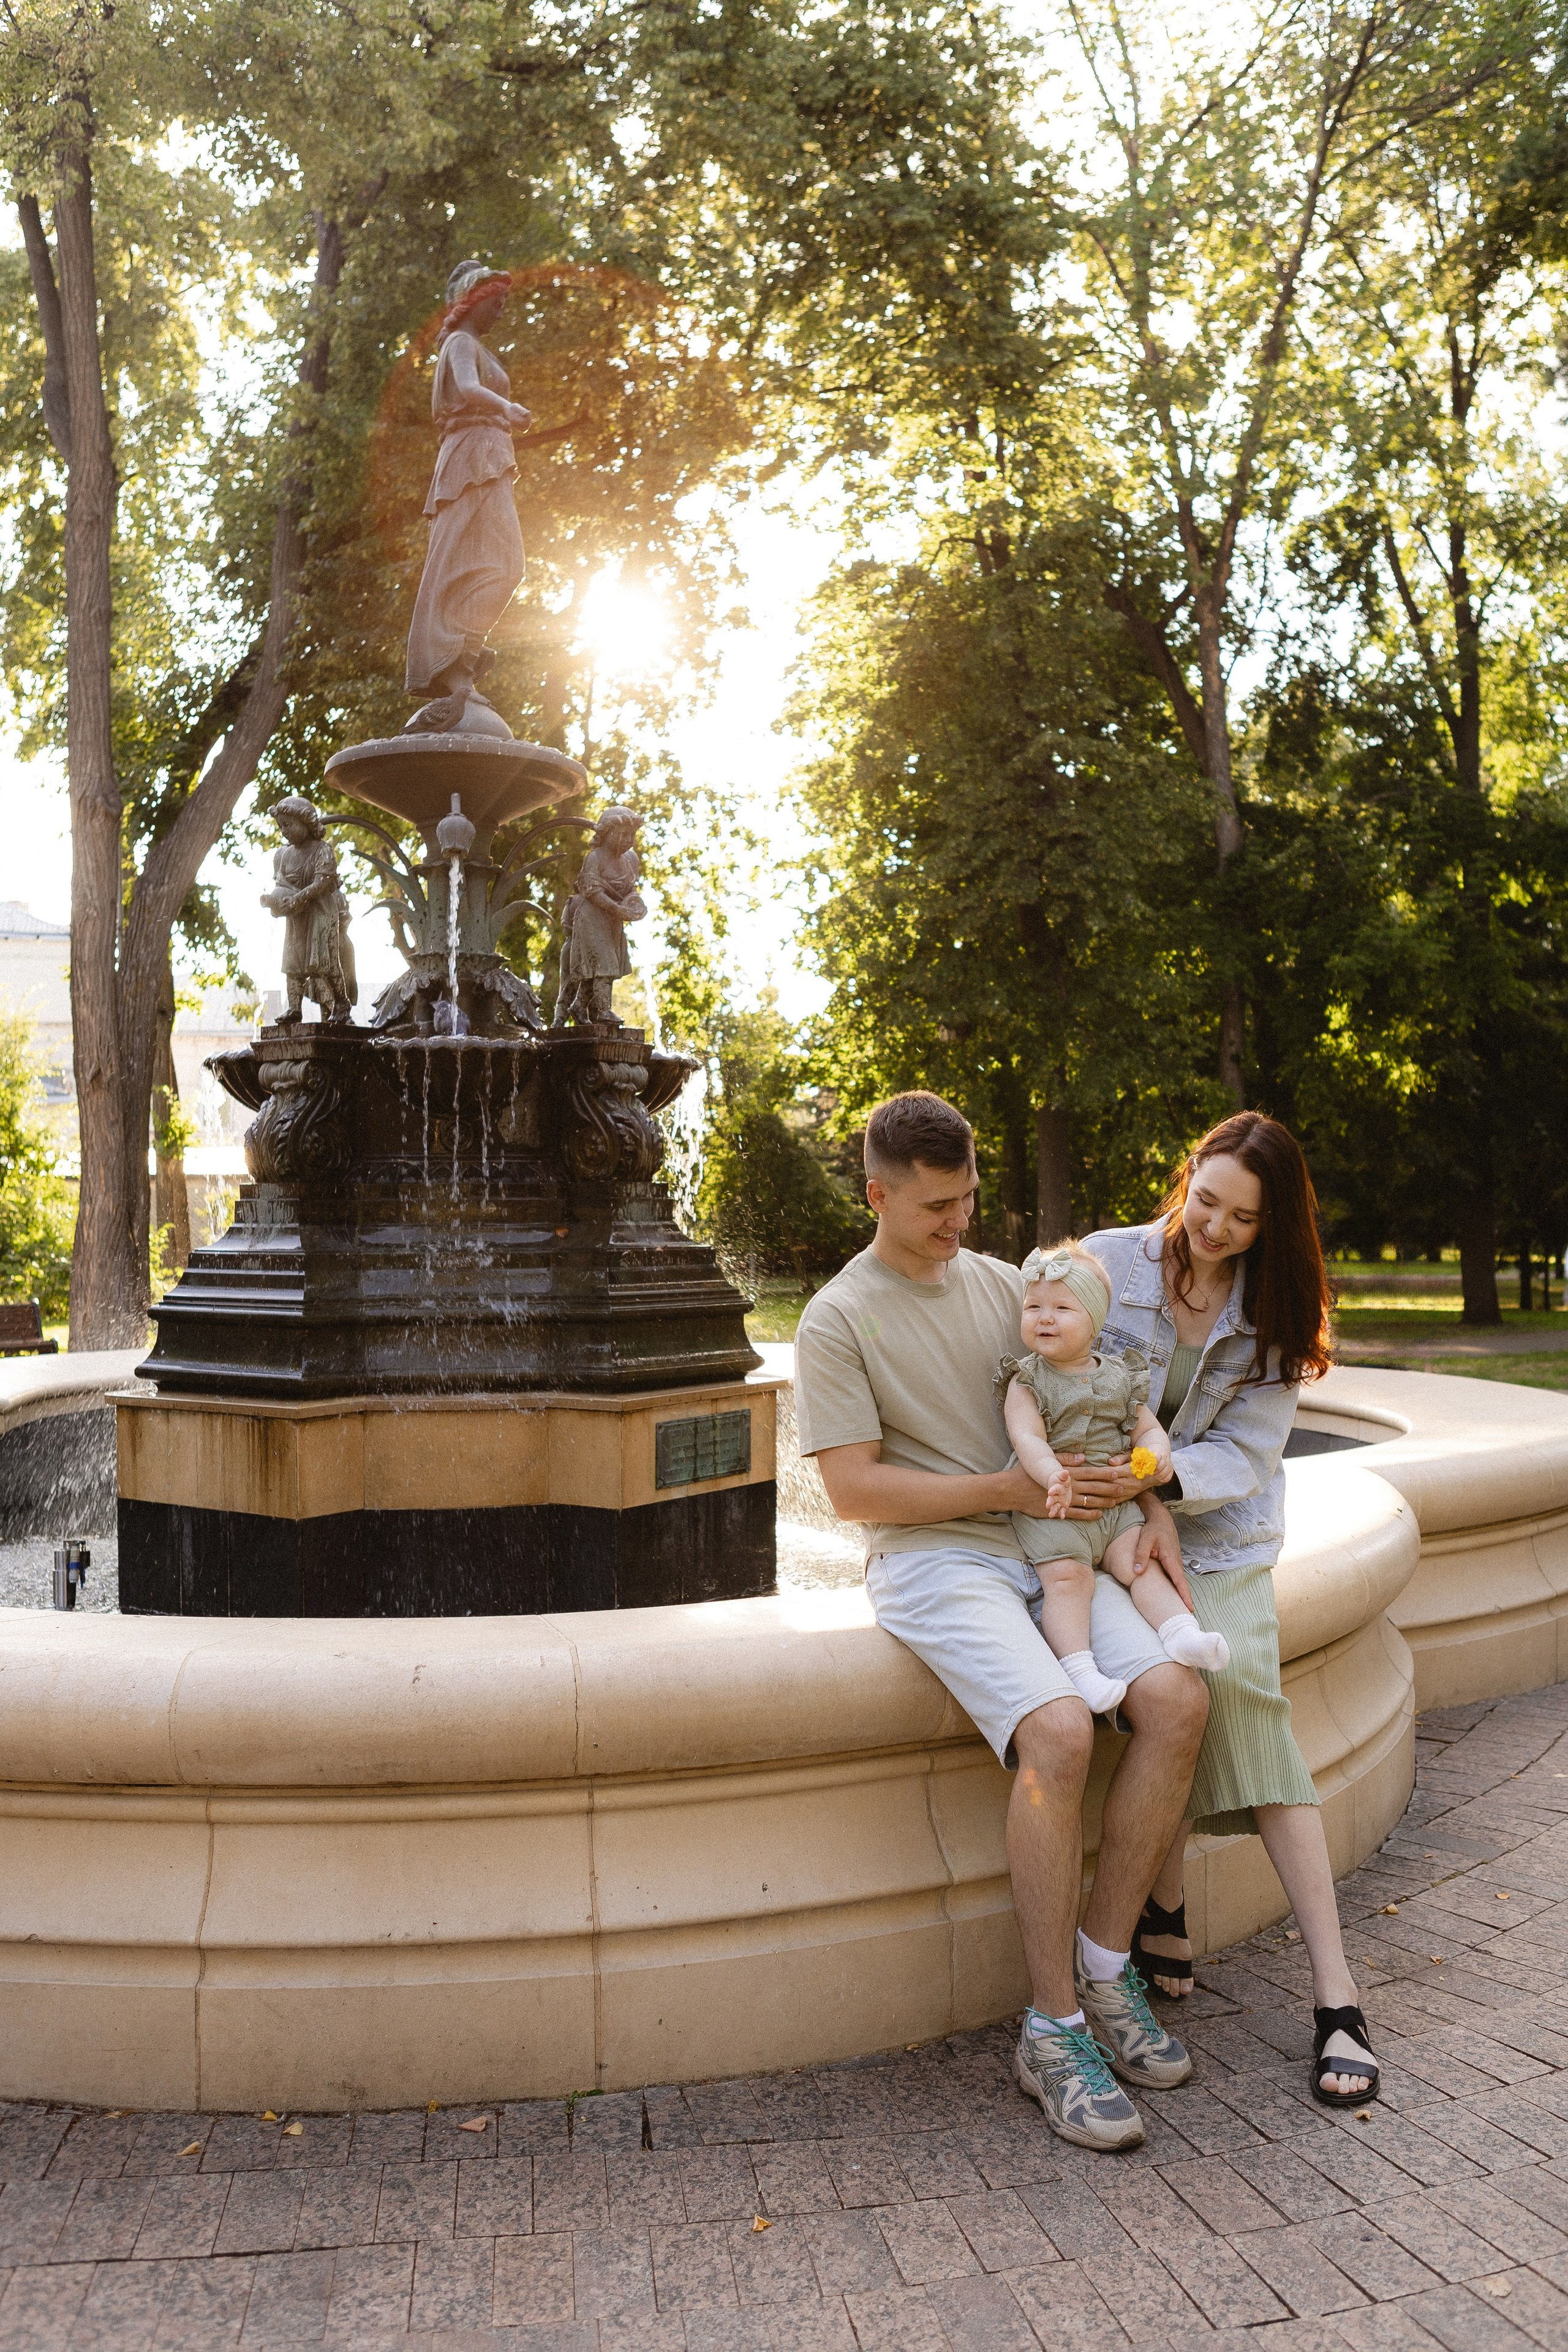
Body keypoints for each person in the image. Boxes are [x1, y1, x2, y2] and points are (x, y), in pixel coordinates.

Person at [794, 1091, 1210, 2152]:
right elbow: (854, 1494)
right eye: (936, 1206)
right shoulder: (839, 1317)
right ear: (878, 1194)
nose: (959, 1223)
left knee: (1175, 1696)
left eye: (969, 1198)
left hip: (1050, 1541)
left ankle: (1108, 1976)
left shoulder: (1009, 1286)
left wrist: (1147, 1505)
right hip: (937, 1562)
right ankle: (1051, 2029)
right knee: (1062, 1730)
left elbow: (1094, 1410)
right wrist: (1004, 1492)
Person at [1072, 1112, 1380, 2109]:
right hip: (1112, 1523)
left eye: (1241, 1219)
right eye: (1205, 1200)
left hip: (1220, 1531)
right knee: (1170, 1689)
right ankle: (1161, 1904)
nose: (1212, 1227)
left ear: (1273, 1226)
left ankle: (1337, 1997)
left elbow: (1243, 1461)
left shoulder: (1280, 1316)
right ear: (1188, 1177)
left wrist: (1158, 1484)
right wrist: (1130, 1495)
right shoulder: (1108, 1264)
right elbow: (1040, 1368)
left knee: (1241, 1687)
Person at [999, 1240, 1231, 1717]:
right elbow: (1027, 1438)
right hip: (1055, 1513)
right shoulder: (1027, 1381)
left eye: (1062, 1308)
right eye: (1034, 1307)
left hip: (1117, 1513)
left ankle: (1181, 1634)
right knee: (1069, 1581)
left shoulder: (1121, 1375)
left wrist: (1150, 1466)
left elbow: (1147, 1431)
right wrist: (1052, 1477)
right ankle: (1079, 1671)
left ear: (1096, 1320)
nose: (1044, 1318)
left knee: (1139, 1564)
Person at [405, 260, 532, 732]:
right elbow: (468, 387)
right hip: (471, 454)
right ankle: (454, 658)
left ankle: (463, 653)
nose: (501, 311)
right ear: (474, 302)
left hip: (490, 454)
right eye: (496, 303)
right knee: (477, 559)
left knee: (505, 564)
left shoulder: (478, 345)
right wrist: (506, 406)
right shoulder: (460, 343)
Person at [261, 797, 356, 1025]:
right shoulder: (284, 855)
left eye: (289, 825)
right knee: (292, 963)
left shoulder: (322, 850)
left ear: (307, 822)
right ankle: (295, 1008)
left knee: (326, 962)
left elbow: (322, 883)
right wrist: (277, 901)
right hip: (297, 916)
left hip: (320, 913)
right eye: (281, 826)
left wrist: (297, 898)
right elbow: (281, 883)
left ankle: (341, 1001)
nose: (285, 831)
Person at [553, 807, 647, 1028]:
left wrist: (634, 904)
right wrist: (618, 909)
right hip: (592, 920)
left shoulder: (627, 861)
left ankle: (578, 1007)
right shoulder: (595, 858)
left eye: (631, 836)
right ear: (606, 833)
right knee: (606, 963)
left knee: (597, 969)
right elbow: (592, 890)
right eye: (622, 835)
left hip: (612, 922)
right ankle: (604, 1010)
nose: (627, 841)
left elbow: (630, 889)